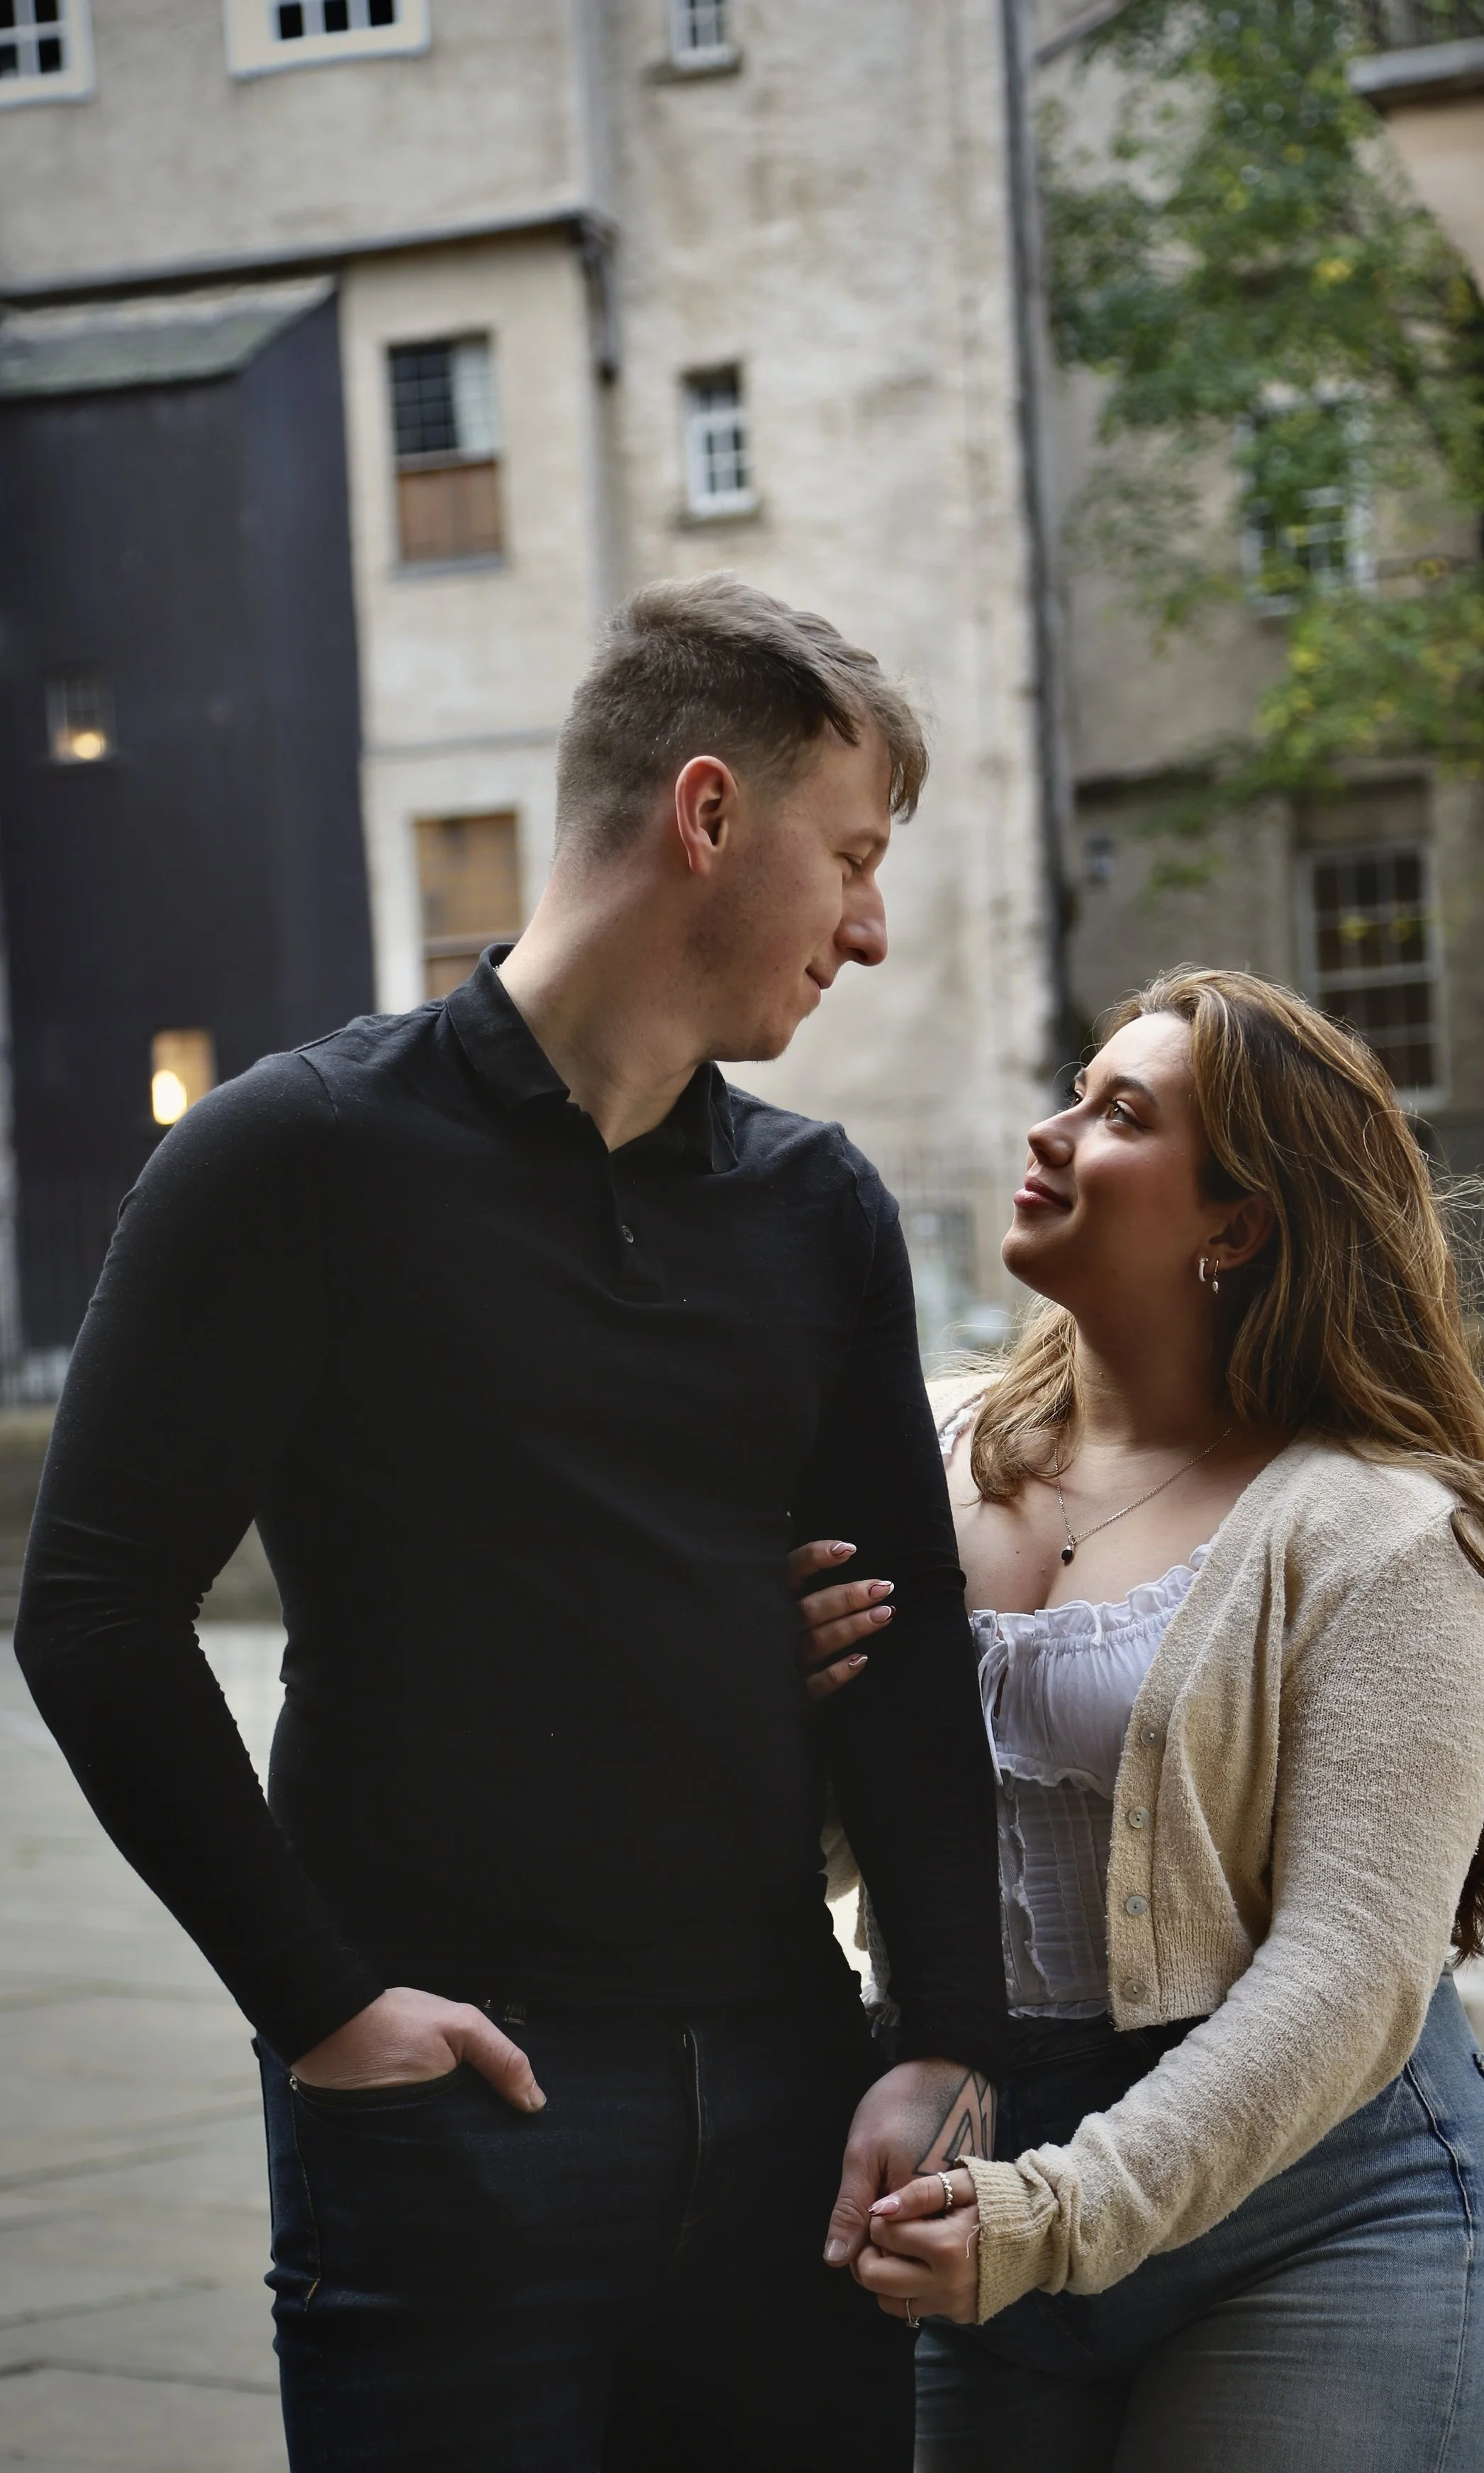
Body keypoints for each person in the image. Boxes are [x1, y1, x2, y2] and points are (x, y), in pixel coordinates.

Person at [16, 574, 1008, 2473]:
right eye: (853, 860)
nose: (871, 931)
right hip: (452, 2117)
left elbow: (904, 1647)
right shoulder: (296, 1153)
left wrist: (941, 2040)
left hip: (791, 2101)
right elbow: (93, 1610)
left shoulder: (818, 1209)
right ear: (705, 814)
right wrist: (319, 2006)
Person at [796, 966, 1484, 2473]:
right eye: (1075, 1092)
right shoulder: (919, 1451)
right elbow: (829, 1843)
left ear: (1238, 1223)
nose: (1051, 1133)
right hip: (972, 2183)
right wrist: (780, 1701)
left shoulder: (1384, 1533)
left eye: (1120, 1115)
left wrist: (1059, 2215)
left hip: (1316, 2206)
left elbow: (1351, 1971)